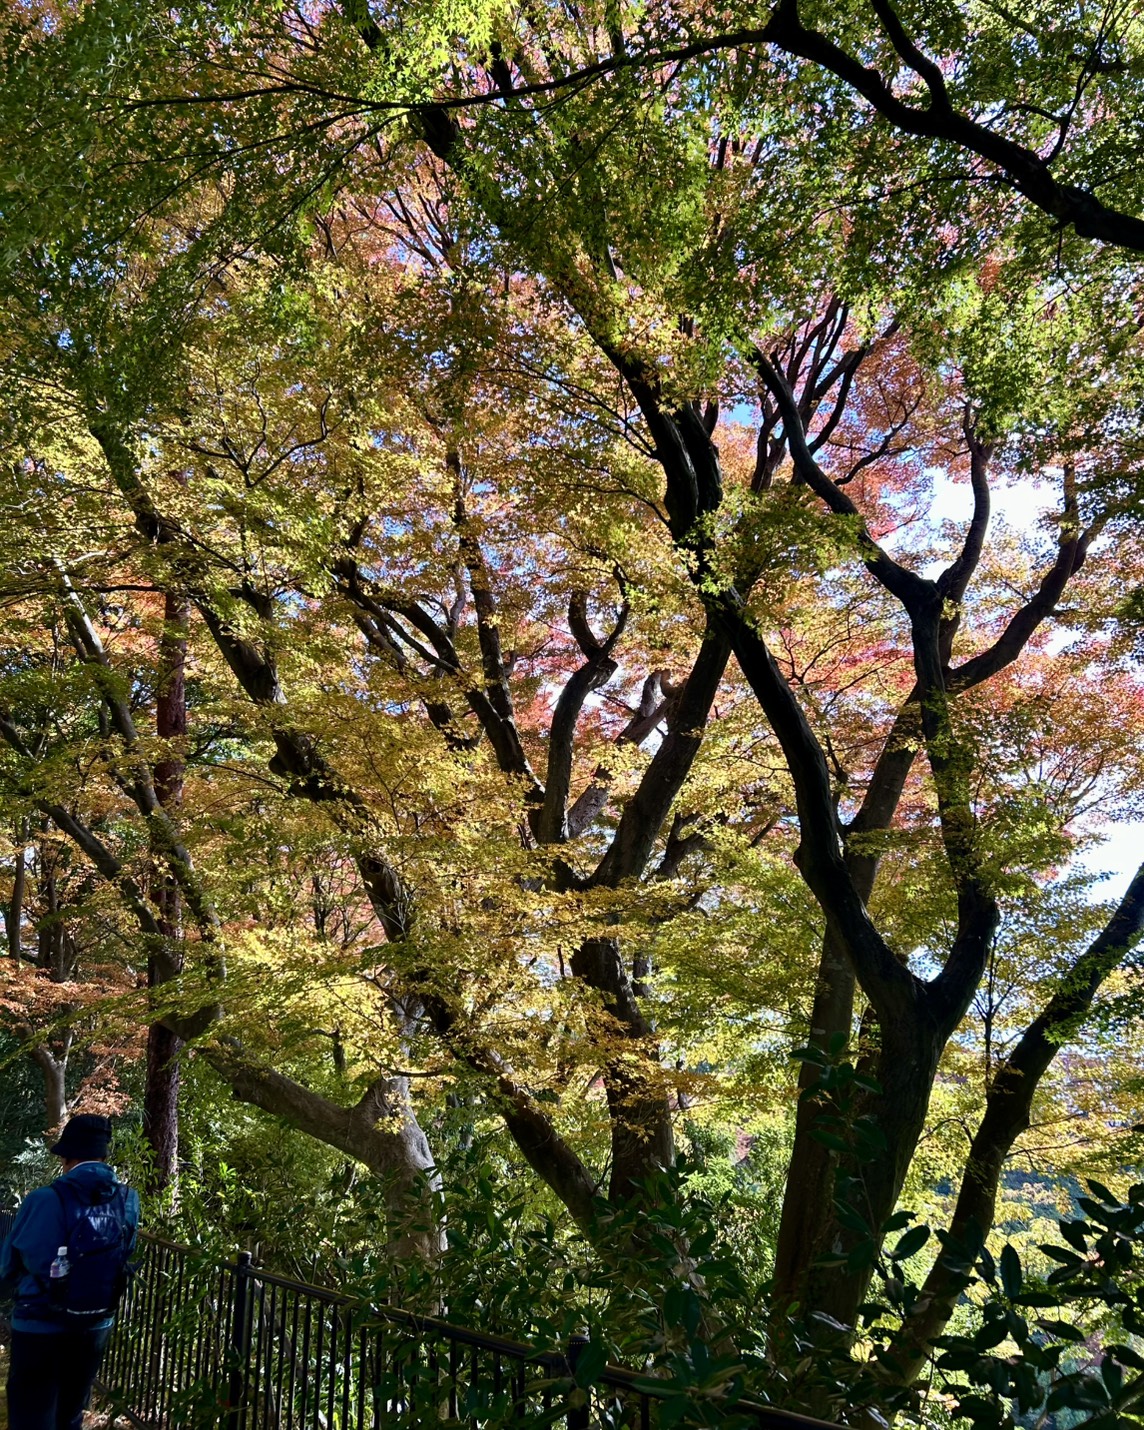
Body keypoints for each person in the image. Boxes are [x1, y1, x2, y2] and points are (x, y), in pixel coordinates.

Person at [0, 1114, 140, 1430]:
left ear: (66, 1157)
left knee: (31, 1413)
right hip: (95, 1324)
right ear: (104, 1156)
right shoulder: (128, 1200)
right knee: (71, 1412)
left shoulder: (43, 1199)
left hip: (39, 1324)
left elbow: (9, 1263)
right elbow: (125, 1252)